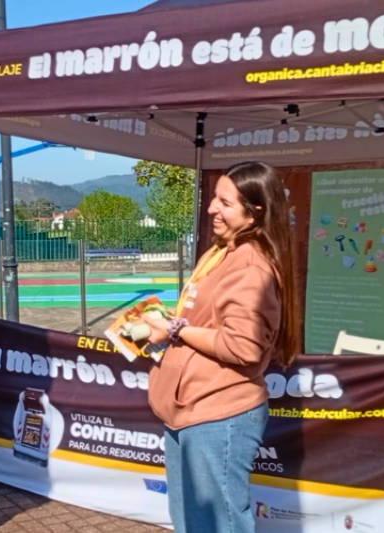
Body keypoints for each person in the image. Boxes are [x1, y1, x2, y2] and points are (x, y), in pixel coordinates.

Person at [143, 161, 298, 533]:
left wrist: (176, 329)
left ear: (254, 212)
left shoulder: (251, 266)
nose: (212, 208)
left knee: (216, 526)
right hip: (189, 412)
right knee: (191, 524)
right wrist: (168, 325)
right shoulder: (221, 253)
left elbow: (242, 346)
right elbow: (205, 323)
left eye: (225, 203)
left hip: (217, 415)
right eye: (215, 198)